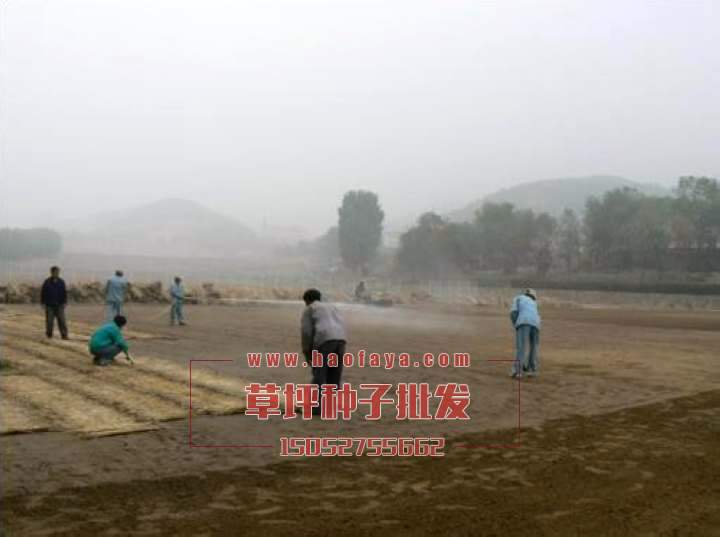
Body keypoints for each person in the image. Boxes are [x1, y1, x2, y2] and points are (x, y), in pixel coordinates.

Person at [300, 288, 347, 415]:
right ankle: (331, 407)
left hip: (324, 340)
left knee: (319, 375)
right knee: (334, 374)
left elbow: (306, 332)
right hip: (341, 339)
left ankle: (316, 408)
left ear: (307, 300)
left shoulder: (310, 309)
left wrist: (306, 351)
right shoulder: (332, 307)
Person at [510, 288, 541, 378]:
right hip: (536, 324)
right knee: (534, 347)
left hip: (524, 321)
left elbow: (513, 313)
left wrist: (516, 325)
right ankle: (532, 370)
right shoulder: (534, 302)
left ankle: (517, 371)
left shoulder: (518, 298)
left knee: (521, 347)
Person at [40, 266, 69, 339]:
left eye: (58, 272)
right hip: (49, 305)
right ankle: (49, 335)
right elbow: (43, 293)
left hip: (60, 304)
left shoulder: (61, 282)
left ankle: (64, 335)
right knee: (49, 321)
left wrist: (65, 302)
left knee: (62, 321)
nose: (57, 273)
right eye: (55, 272)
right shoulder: (47, 282)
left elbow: (64, 292)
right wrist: (43, 303)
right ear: (51, 272)